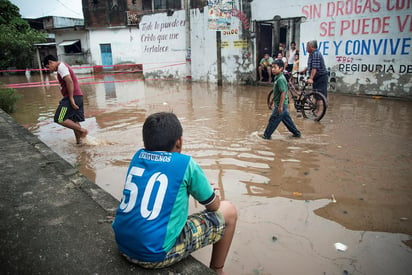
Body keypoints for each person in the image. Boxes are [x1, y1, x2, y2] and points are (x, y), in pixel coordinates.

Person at [112, 112, 237, 275]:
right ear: (179, 142)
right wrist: (207, 190)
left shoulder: (137, 156)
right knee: (229, 211)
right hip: (153, 255)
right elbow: (214, 206)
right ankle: (217, 269)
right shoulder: (185, 163)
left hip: (122, 244)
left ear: (145, 141)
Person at [43, 55, 88, 144]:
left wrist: (70, 98)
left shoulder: (61, 67)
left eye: (48, 67)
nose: (49, 69)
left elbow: (69, 81)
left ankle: (83, 131)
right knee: (74, 121)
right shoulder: (63, 66)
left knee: (59, 118)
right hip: (78, 97)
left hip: (72, 98)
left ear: (51, 62)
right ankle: (80, 143)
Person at [261, 59, 301, 139]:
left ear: (281, 68)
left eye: (275, 67)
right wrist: (272, 101)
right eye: (272, 67)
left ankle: (266, 136)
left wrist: (280, 106)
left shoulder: (281, 79)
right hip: (282, 105)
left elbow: (283, 93)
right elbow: (276, 92)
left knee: (272, 120)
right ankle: (297, 134)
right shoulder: (277, 77)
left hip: (280, 105)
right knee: (288, 122)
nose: (272, 69)